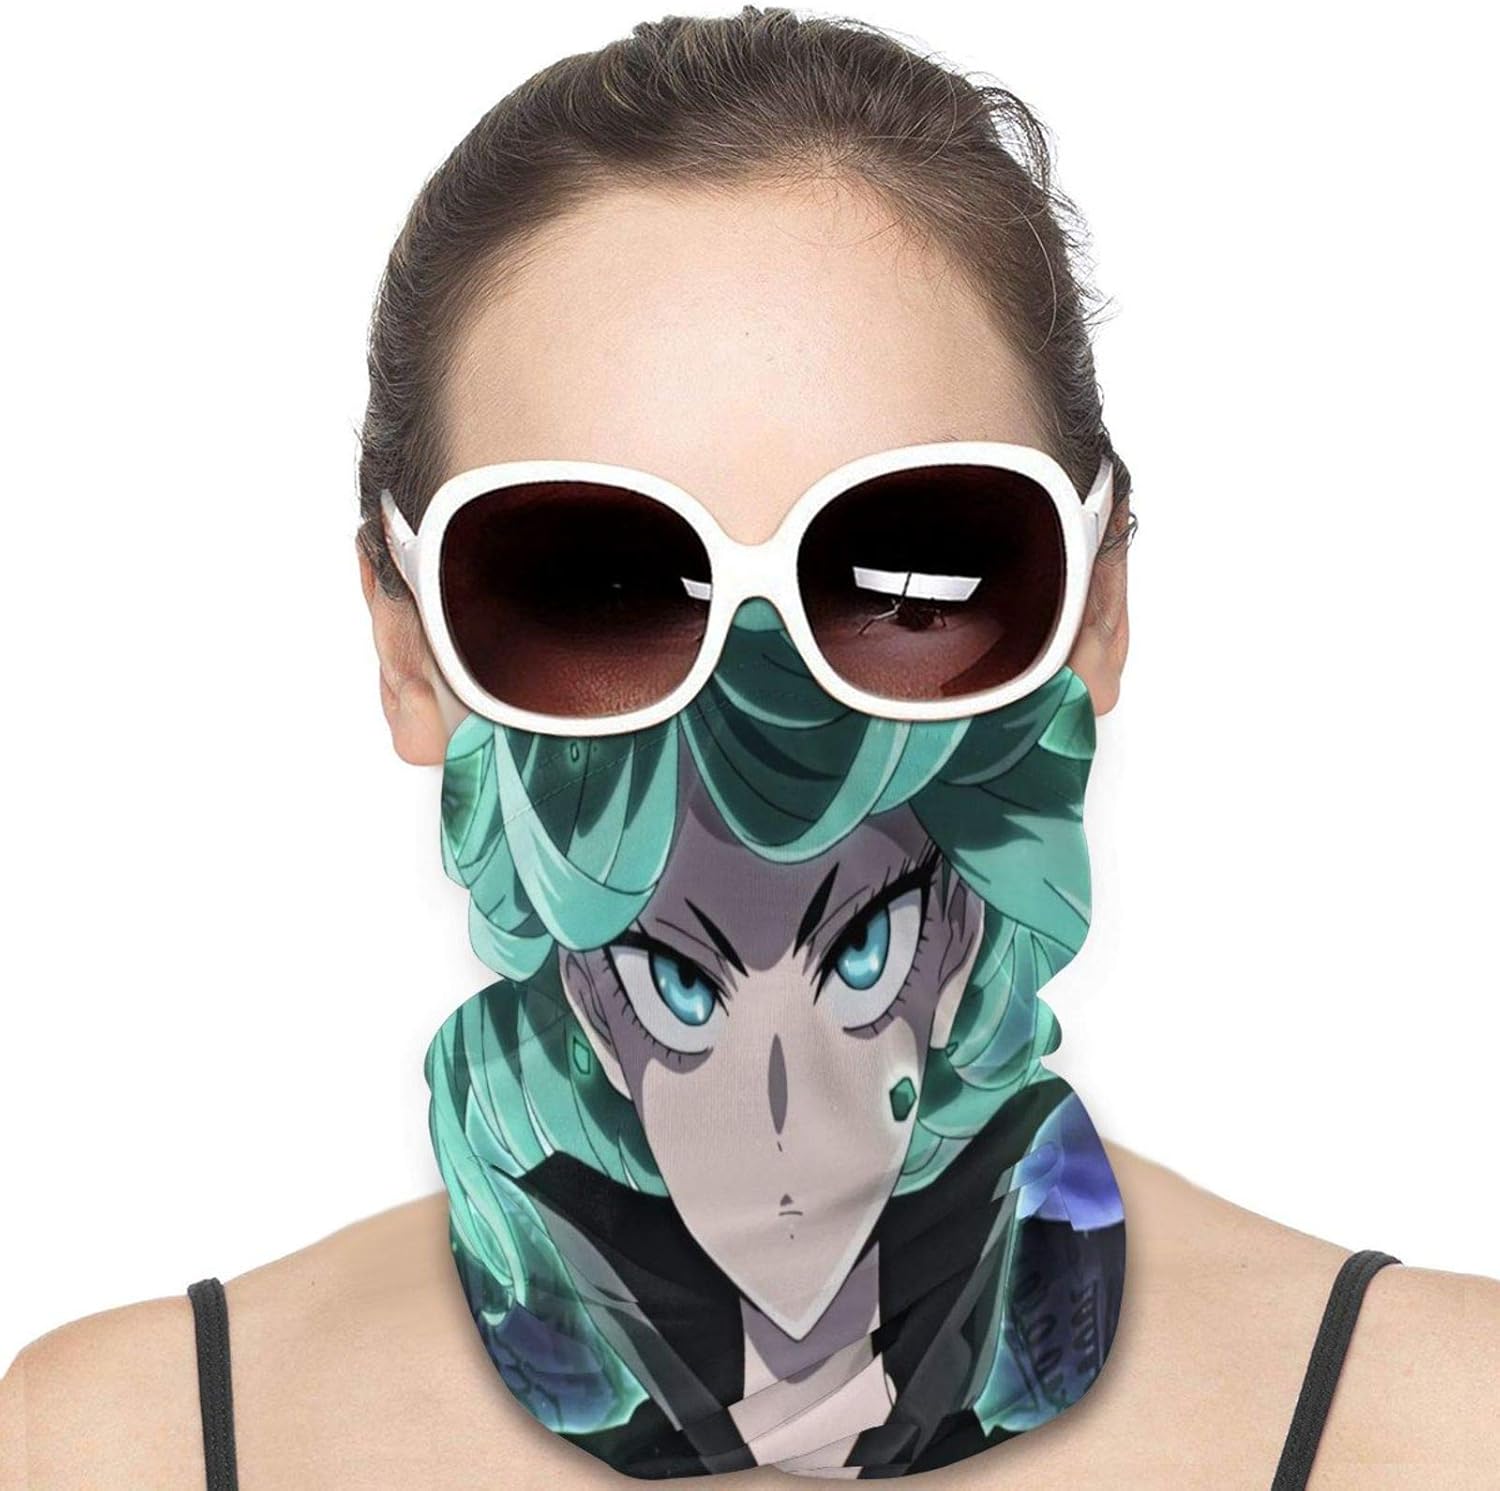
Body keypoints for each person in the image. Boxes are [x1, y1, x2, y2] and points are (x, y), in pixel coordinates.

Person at [3, 8, 1497, 1488]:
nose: (753, 719)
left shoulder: (1441, 1427)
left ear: (1096, 603)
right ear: (408, 649)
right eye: (592, 583)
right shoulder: (126, 1449)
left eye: (910, 567)